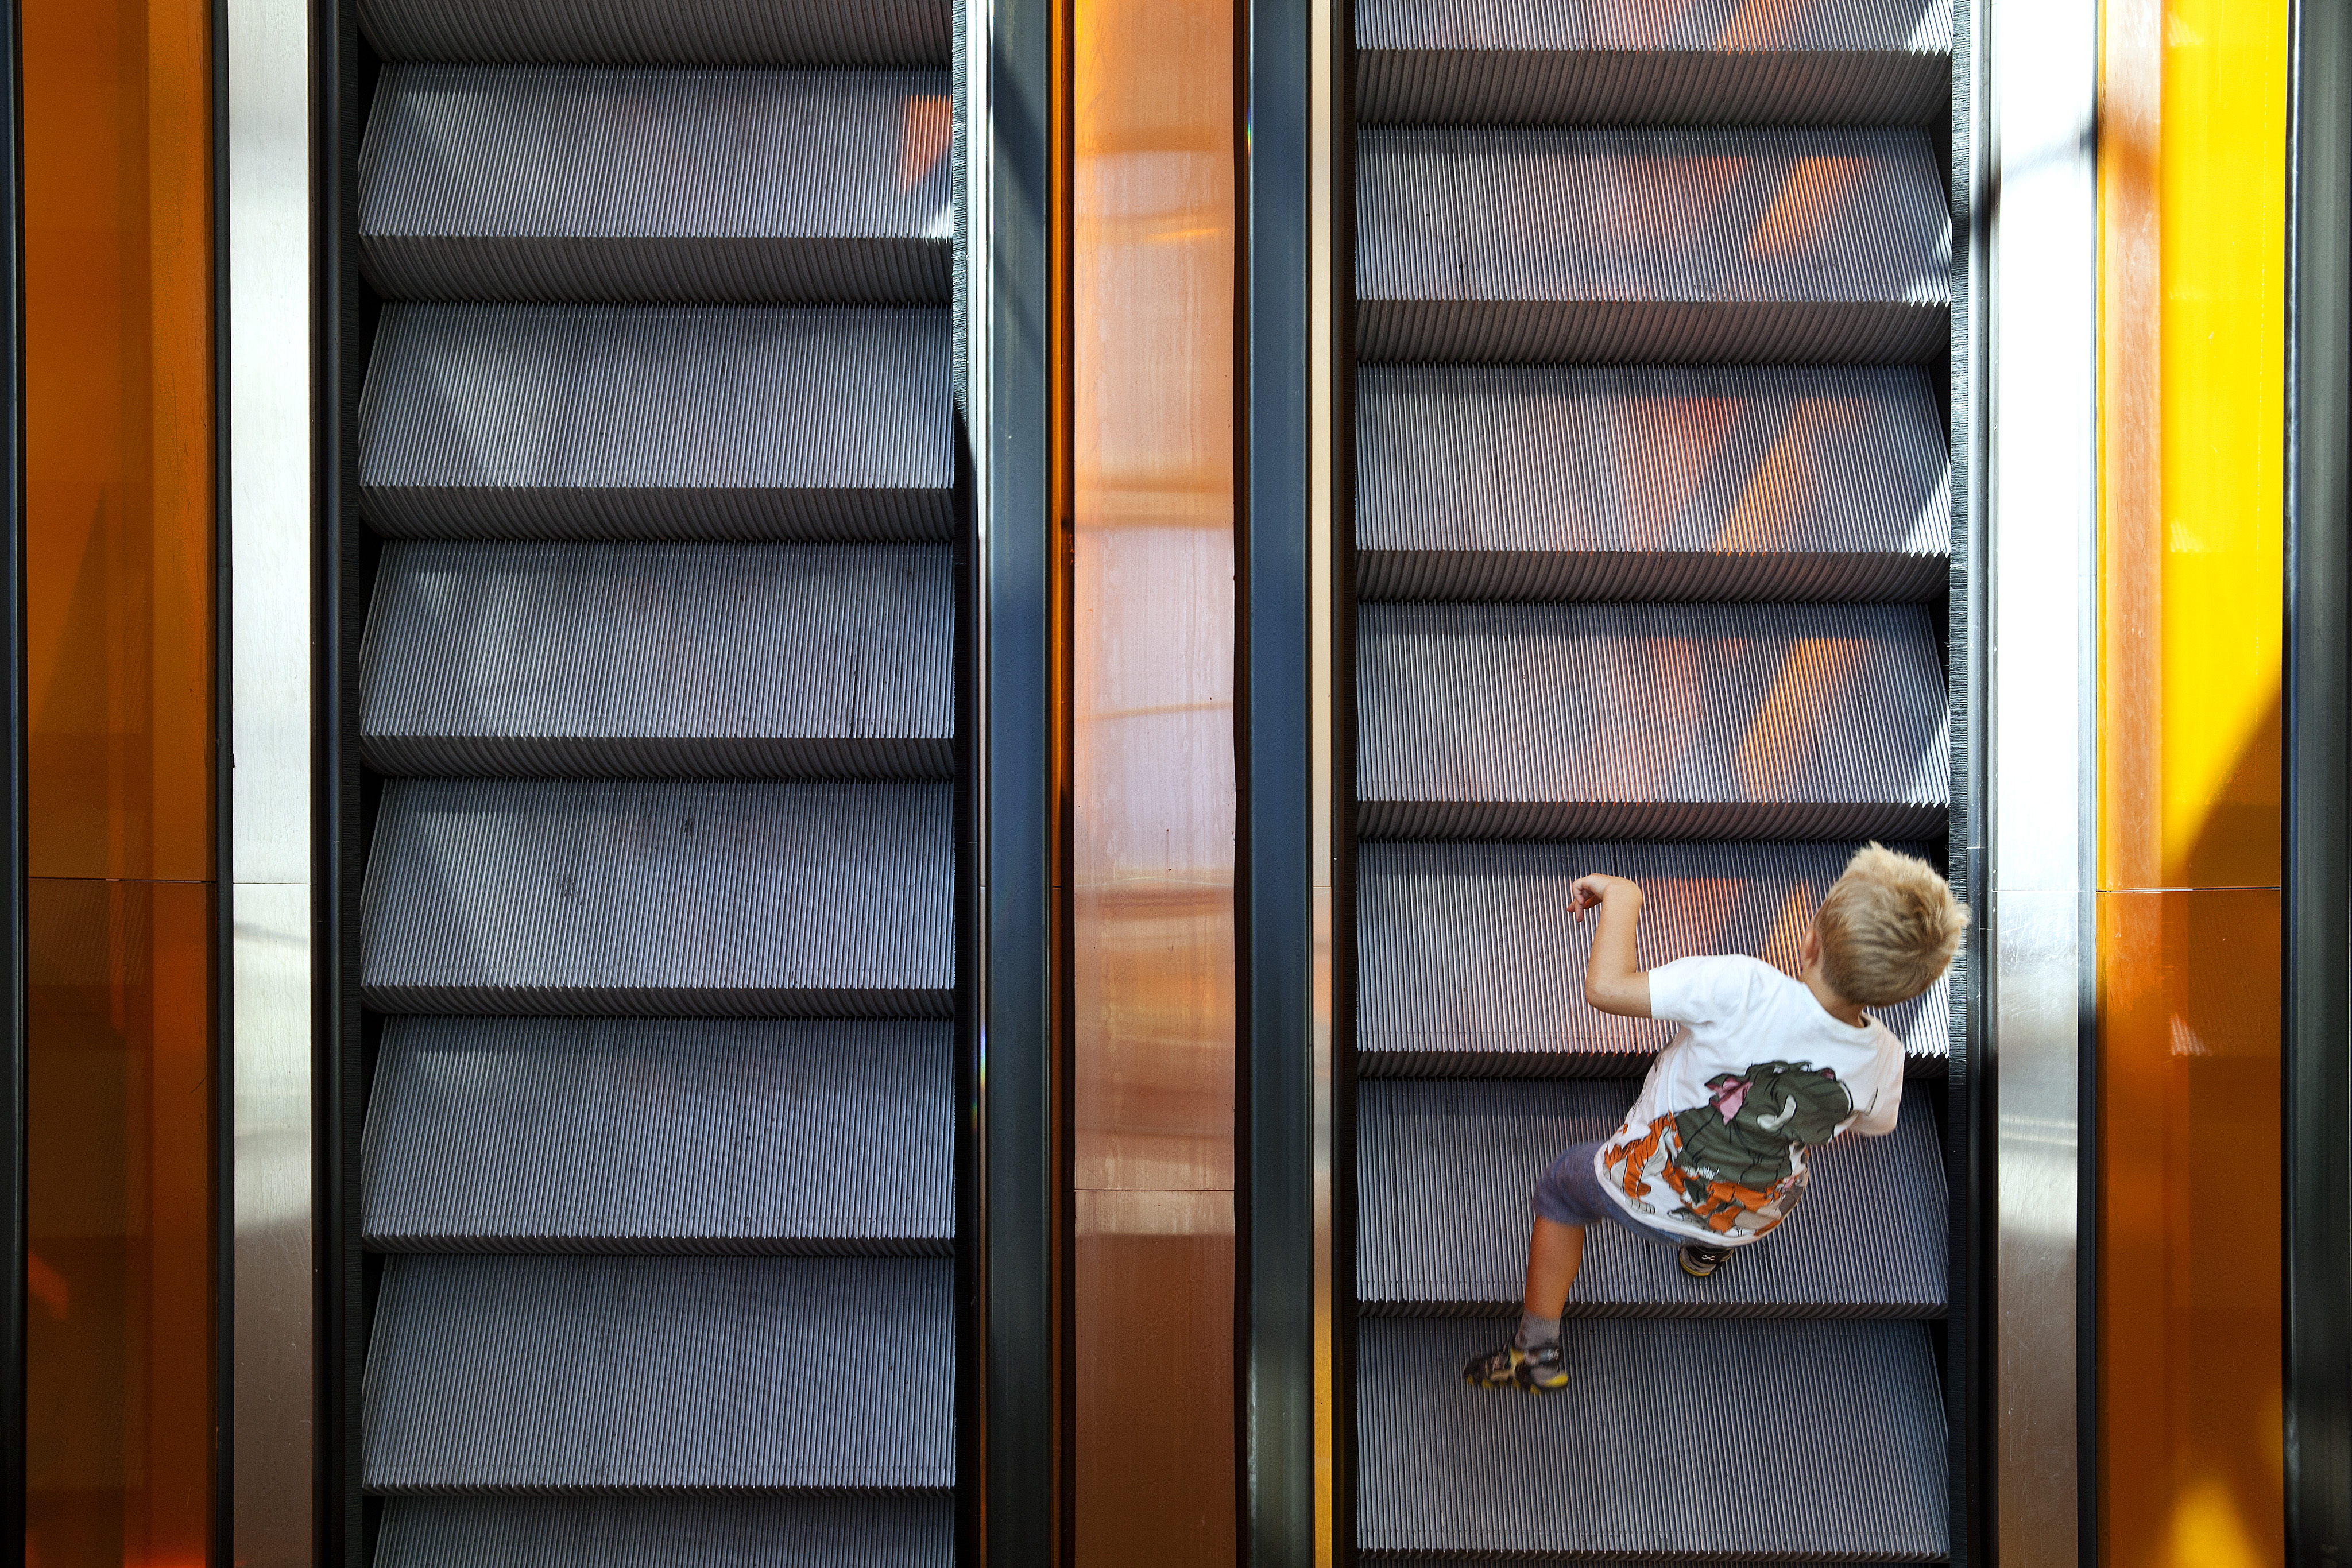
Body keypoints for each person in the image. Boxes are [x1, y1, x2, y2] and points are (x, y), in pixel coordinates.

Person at [1462, 843, 1968, 1393]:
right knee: (1746, 1174)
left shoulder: (1741, 987)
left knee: (1563, 1187)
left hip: (1646, 1186)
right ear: (1905, 991)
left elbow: (1606, 989)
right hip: (1752, 1212)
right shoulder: (1886, 1057)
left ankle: (1536, 1348)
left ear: (1811, 941)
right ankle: (1704, 1253)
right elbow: (1873, 1123)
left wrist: (1624, 897)